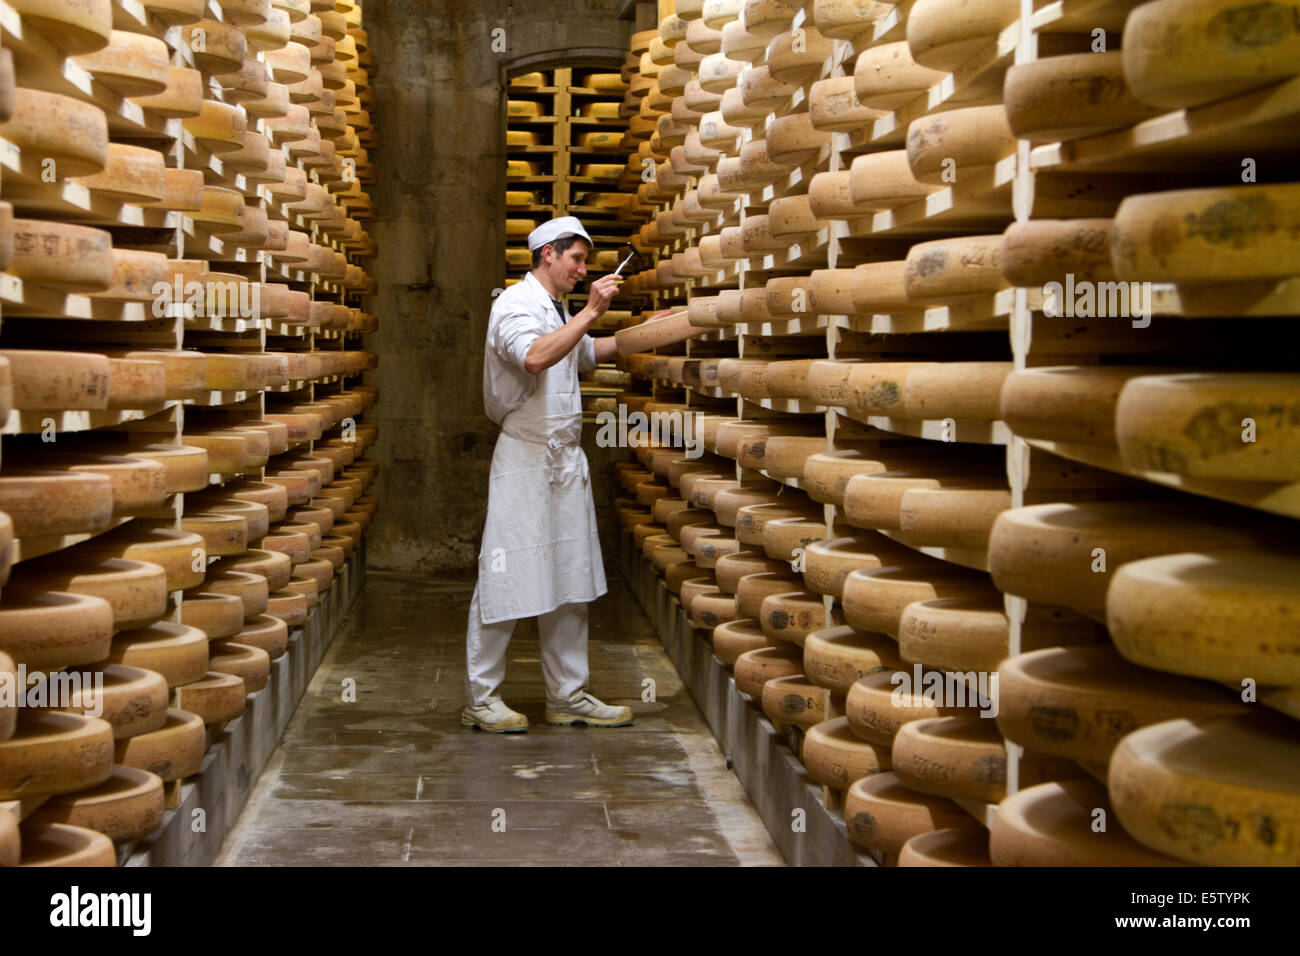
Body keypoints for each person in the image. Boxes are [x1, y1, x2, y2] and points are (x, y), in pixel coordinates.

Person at [462, 216, 632, 733]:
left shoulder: (556, 308)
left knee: (570, 576)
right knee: (505, 572)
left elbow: (586, 353)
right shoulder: (515, 304)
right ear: (547, 255)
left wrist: (655, 331)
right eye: (577, 259)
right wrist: (591, 311)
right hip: (526, 458)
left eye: (586, 262)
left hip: (563, 460)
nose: (583, 270)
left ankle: (567, 695)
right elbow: (535, 357)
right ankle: (482, 699)